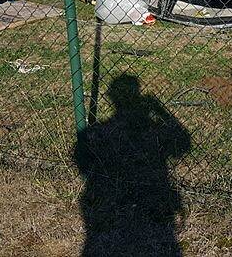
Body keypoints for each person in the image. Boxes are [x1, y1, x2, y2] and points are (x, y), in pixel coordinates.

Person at [74, 74, 191, 256]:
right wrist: (159, 110)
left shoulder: (100, 132)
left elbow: (83, 166)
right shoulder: (151, 131)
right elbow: (183, 144)